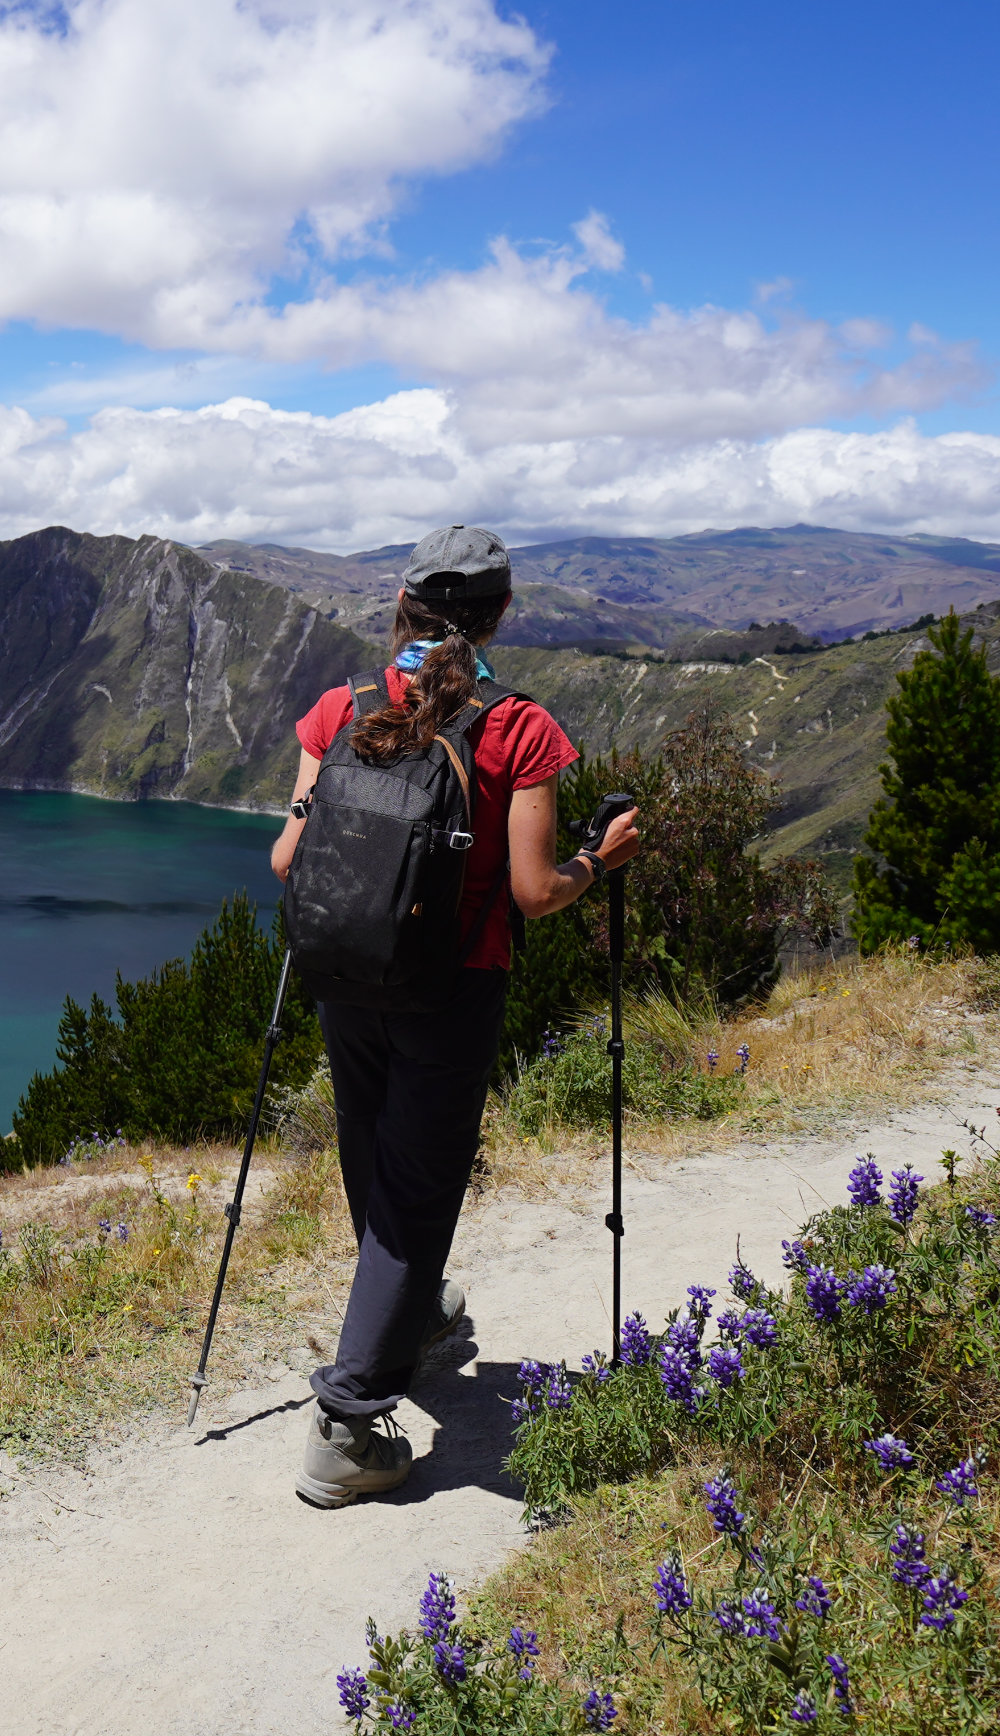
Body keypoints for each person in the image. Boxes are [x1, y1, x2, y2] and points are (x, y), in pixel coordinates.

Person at [267, 525, 641, 1508]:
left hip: (341, 974)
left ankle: (414, 1319)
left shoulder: (339, 709)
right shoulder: (517, 728)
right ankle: (347, 1424)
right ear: (500, 615)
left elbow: (281, 862)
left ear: (401, 605)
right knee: (420, 1186)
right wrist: (601, 858)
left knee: (369, 1150)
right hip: (450, 985)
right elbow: (531, 892)